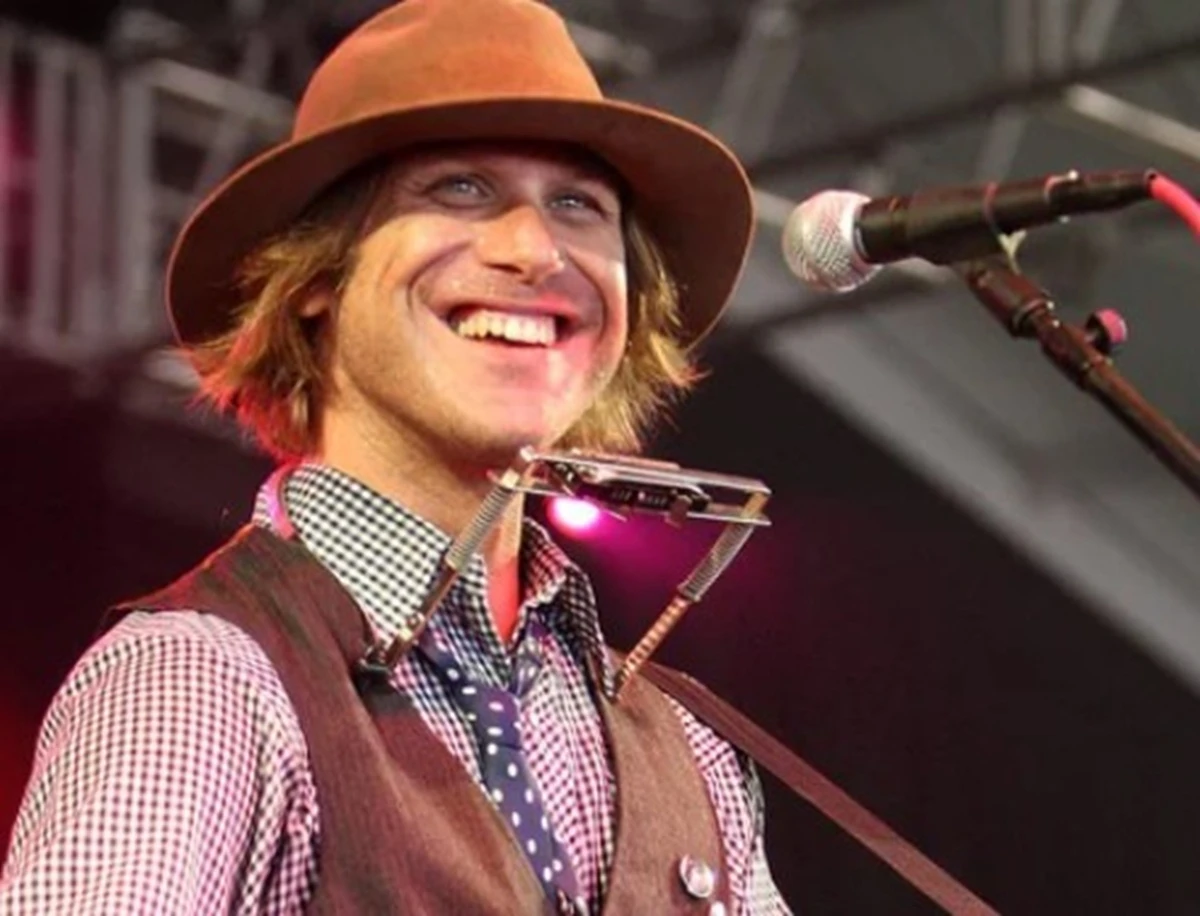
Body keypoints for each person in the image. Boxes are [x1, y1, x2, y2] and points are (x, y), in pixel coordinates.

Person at [1, 0, 789, 912]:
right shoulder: (206, 677)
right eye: (459, 187)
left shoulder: (688, 752)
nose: (535, 249)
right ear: (314, 281)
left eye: (578, 204)